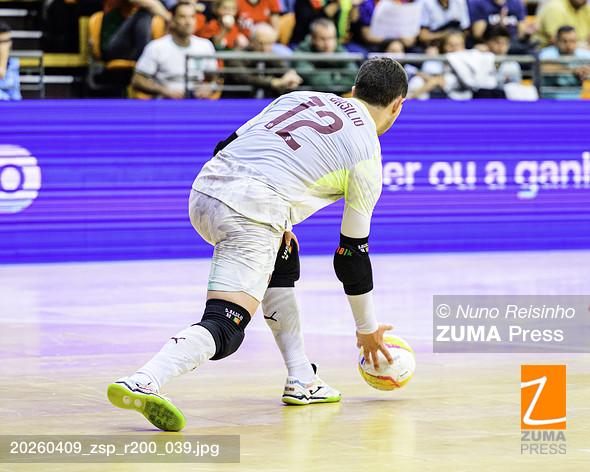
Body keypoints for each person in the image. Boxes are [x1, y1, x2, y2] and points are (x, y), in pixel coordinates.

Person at [107, 56, 408, 431]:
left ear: (354, 89)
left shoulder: (300, 98)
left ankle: (302, 377)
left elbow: (225, 145)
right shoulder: (366, 154)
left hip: (205, 189)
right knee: (227, 326)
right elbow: (351, 256)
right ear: (398, 105)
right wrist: (367, 329)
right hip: (251, 209)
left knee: (283, 254)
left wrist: (276, 219)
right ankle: (144, 380)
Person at [132, 2, 219, 99]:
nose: (188, 22)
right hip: (166, 102)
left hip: (196, 101)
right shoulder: (156, 47)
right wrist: (163, 90)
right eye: (183, 17)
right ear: (172, 20)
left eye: (192, 17)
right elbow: (137, 81)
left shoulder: (205, 46)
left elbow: (214, 79)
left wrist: (208, 87)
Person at [227, 23, 302, 97]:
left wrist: (291, 76)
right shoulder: (238, 56)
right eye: (261, 43)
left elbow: (283, 69)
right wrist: (273, 82)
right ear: (252, 41)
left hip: (268, 101)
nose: (264, 48)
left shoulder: (271, 55)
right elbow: (244, 78)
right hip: (240, 100)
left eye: (269, 43)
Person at [295, 18, 358, 91]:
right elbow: (317, 81)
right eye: (323, 39)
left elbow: (354, 77)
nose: (328, 44)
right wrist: (337, 77)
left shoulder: (338, 49)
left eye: (331, 38)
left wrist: (333, 81)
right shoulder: (302, 52)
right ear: (313, 39)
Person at [101, 0, 171, 61]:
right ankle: (147, 58)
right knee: (143, 14)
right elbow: (148, 3)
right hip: (110, 44)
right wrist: (170, 19)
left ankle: (149, 57)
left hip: (130, 48)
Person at [539, 25, 590, 98]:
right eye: (564, 41)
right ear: (556, 41)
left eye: (572, 41)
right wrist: (573, 70)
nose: (568, 45)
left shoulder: (584, 54)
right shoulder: (547, 53)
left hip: (576, 99)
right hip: (550, 99)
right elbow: (543, 67)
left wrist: (586, 71)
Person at [0, 21, 21, 101]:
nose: (4, 46)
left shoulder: (14, 62)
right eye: (1, 42)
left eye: (7, 41)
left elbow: (16, 96)